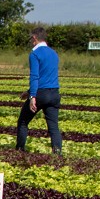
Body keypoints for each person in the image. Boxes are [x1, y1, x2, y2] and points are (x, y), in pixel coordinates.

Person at [16, 26, 62, 156]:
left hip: (41, 94)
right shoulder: (54, 53)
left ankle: (19, 150)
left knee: (23, 122)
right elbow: (46, 75)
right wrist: (28, 91)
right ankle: (57, 153)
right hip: (54, 93)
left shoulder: (35, 54)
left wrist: (32, 97)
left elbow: (35, 76)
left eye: (31, 38)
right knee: (53, 126)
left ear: (35, 38)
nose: (31, 41)